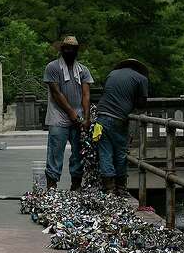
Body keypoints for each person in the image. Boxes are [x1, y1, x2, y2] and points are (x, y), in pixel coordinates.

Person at [43, 36, 93, 190]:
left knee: (79, 152)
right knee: (55, 152)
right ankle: (52, 185)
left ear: (76, 51)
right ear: (62, 50)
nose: (69, 51)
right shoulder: (52, 67)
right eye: (66, 48)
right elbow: (56, 93)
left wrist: (86, 118)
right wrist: (71, 113)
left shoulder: (83, 70)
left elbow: (86, 95)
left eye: (72, 49)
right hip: (58, 116)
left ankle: (76, 184)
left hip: (78, 116)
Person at [95, 59, 150, 196]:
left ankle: (108, 188)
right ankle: (120, 187)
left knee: (105, 152)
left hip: (101, 117)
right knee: (120, 153)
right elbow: (142, 103)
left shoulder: (112, 74)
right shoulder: (141, 79)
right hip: (119, 118)